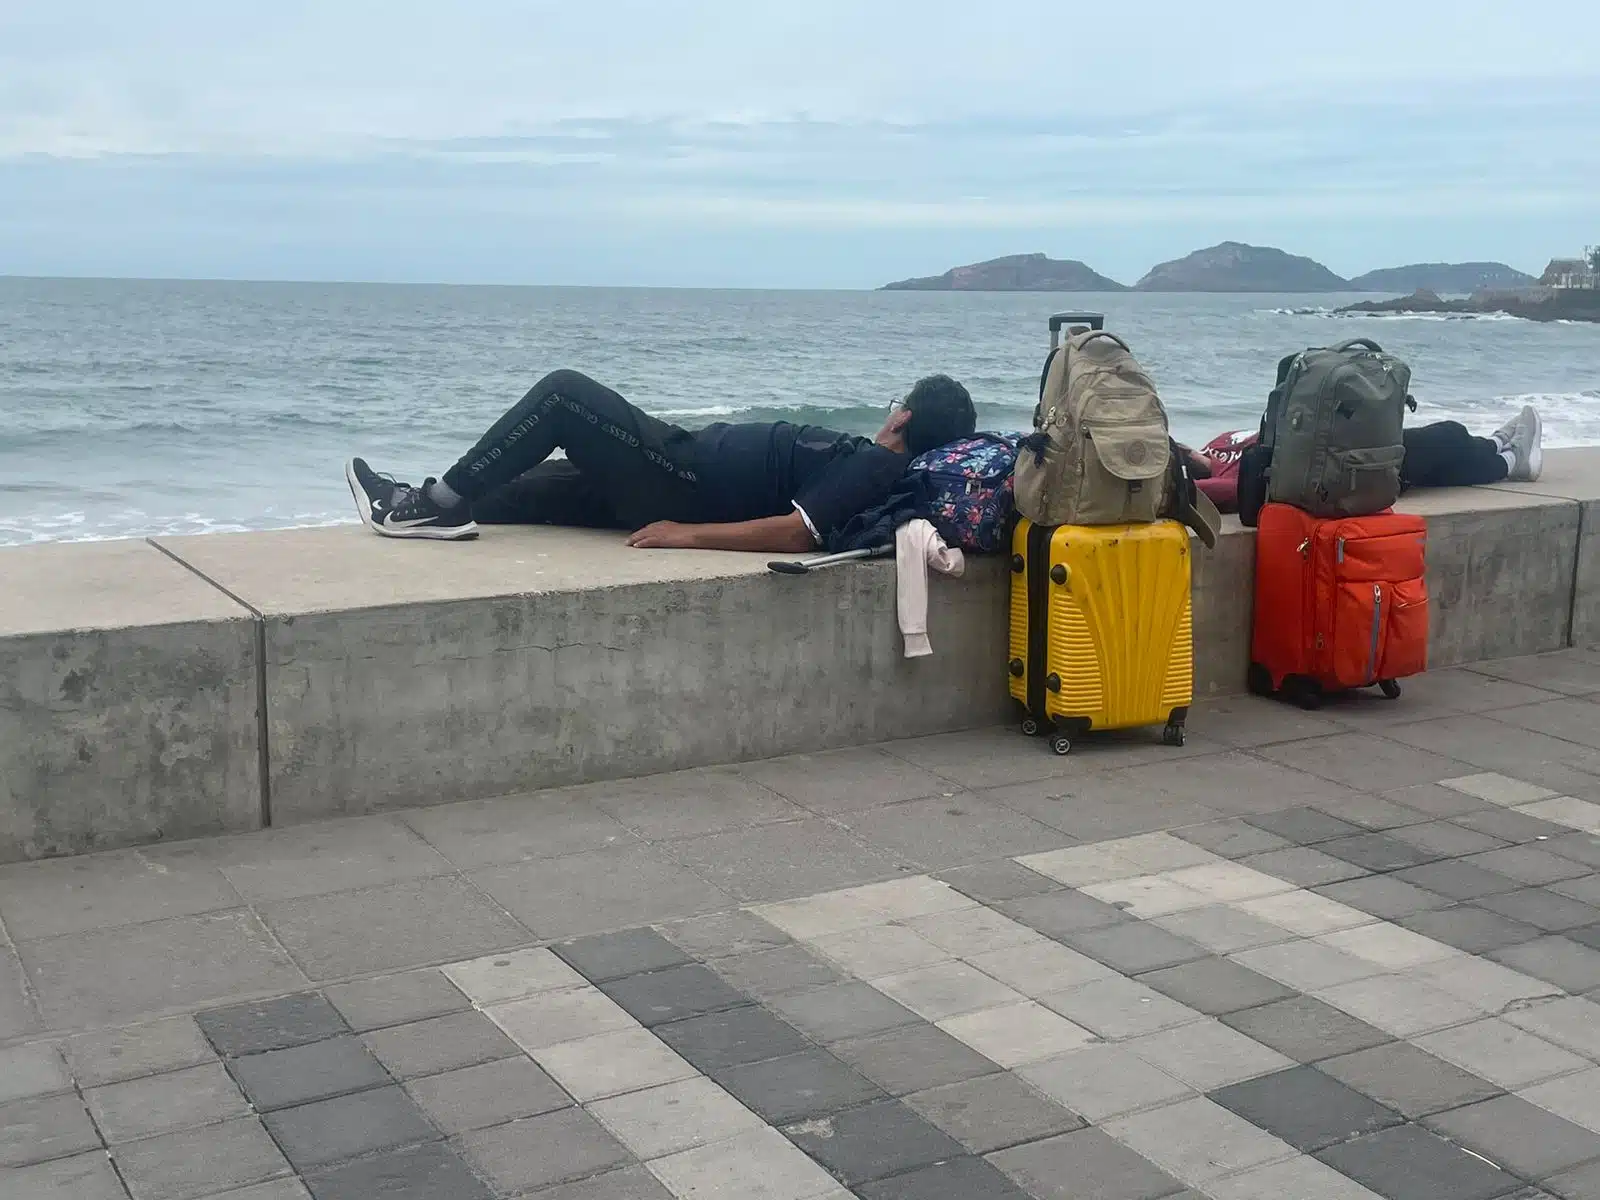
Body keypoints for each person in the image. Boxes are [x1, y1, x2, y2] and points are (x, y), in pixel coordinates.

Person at [345, 369, 977, 552]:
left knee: (565, 395)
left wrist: (689, 535)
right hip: (676, 479)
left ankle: (433, 507)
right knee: (525, 490)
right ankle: (421, 498)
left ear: (903, 419)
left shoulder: (878, 465)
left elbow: (799, 532)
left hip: (684, 480)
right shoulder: (879, 467)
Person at [1187, 404, 1544, 513]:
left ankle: (1506, 455)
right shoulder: (1221, 482)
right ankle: (1503, 452)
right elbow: (1196, 494)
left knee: (1438, 466)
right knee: (1446, 435)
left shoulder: (1217, 444)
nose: (1190, 451)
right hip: (1340, 475)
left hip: (1331, 452)